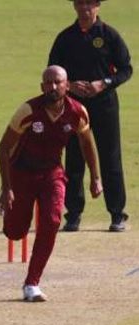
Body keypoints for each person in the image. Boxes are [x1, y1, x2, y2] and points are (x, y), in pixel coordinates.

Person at [0, 66, 103, 301]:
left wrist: (95, 177)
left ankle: (32, 284)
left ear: (67, 85)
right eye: (47, 83)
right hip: (21, 174)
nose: (52, 87)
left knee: (52, 221)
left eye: (57, 82)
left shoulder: (77, 112)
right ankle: (10, 216)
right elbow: (3, 148)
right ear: (42, 86)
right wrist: (7, 188)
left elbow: (87, 143)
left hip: (52, 173)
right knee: (15, 232)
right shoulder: (28, 110)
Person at [48, 0, 132, 232]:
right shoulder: (65, 38)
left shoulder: (109, 35)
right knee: (74, 157)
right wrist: (69, 86)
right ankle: (73, 214)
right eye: (81, 3)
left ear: (98, 6)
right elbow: (52, 71)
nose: (85, 8)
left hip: (105, 105)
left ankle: (117, 214)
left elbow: (126, 69)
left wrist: (103, 83)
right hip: (74, 106)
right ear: (75, 6)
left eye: (90, 4)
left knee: (110, 157)